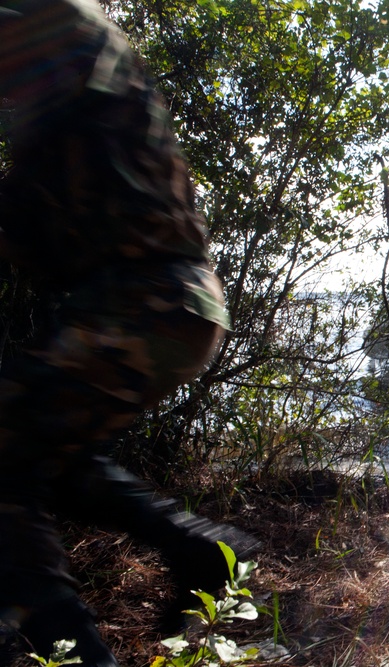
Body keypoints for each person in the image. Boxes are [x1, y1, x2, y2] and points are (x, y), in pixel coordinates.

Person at [0, 1, 258, 665]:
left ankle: (77, 652)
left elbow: (39, 180)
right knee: (49, 459)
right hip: (163, 299)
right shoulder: (64, 27)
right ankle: (199, 550)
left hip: (143, 297)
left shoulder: (45, 20)